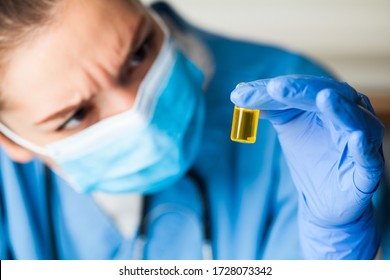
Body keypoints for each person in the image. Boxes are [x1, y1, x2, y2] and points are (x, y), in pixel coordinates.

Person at [0, 0, 386, 260]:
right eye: (76, 115)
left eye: (139, 53)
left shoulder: (296, 108)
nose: (138, 114)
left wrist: (336, 250)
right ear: (8, 140)